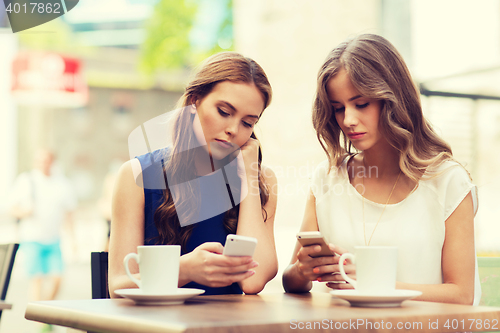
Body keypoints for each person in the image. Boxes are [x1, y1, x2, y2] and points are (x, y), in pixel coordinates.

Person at [282, 34, 481, 305]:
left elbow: (461, 295)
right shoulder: (327, 178)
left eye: (361, 104)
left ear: (393, 99)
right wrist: (303, 271)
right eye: (338, 108)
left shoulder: (447, 181)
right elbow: (292, 281)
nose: (348, 120)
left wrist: (370, 282)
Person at [109, 52, 278, 296]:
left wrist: (249, 177)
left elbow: (253, 281)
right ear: (194, 102)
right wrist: (184, 270)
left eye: (248, 123)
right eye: (224, 111)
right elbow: (118, 286)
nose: (233, 130)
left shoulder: (262, 180)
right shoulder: (136, 175)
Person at [9, 149, 77, 303]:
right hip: (32, 239)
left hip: (53, 239)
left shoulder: (62, 183)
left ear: (53, 162)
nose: (43, 164)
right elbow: (12, 208)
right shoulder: (26, 180)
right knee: (37, 280)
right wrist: (24, 212)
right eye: (40, 160)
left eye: (46, 160)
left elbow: (69, 214)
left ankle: (43, 309)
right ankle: (41, 322)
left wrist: (73, 240)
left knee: (58, 279)